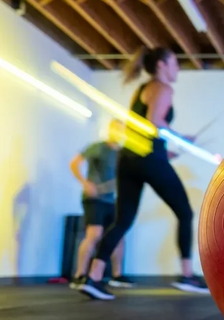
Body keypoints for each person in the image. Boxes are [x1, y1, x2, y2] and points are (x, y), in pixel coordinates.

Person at [81, 47, 208, 300]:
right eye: (175, 63)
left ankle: (93, 277)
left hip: (129, 159)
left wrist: (165, 152)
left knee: (122, 220)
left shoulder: (143, 89)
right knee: (185, 212)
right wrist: (181, 139)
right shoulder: (164, 88)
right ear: (161, 65)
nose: (177, 68)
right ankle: (187, 275)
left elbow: (141, 131)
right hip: (148, 158)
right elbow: (154, 121)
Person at [69, 123, 133, 290]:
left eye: (121, 129)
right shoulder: (97, 147)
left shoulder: (123, 153)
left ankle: (117, 276)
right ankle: (79, 275)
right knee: (94, 234)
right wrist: (85, 183)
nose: (118, 132)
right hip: (95, 199)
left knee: (119, 236)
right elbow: (74, 163)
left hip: (113, 201)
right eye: (115, 128)